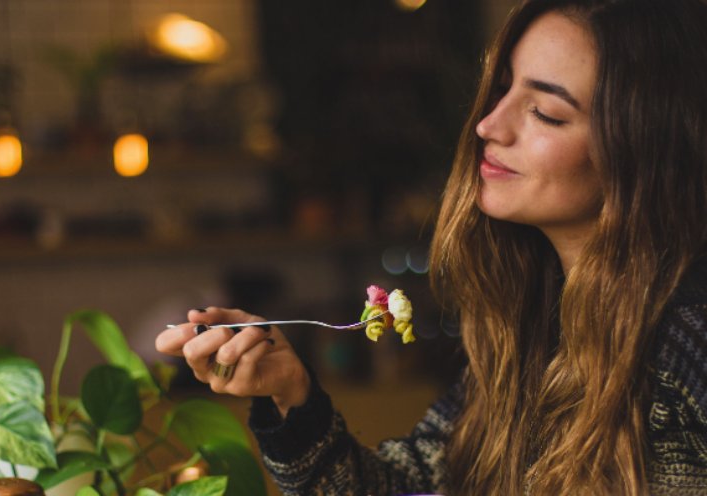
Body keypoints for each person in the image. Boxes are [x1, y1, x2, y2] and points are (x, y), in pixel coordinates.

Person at [155, 0, 707, 493]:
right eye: (502, 88)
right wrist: (290, 394)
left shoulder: (687, 335)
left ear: (641, 148)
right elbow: (403, 485)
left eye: (545, 112)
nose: (489, 124)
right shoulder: (533, 321)